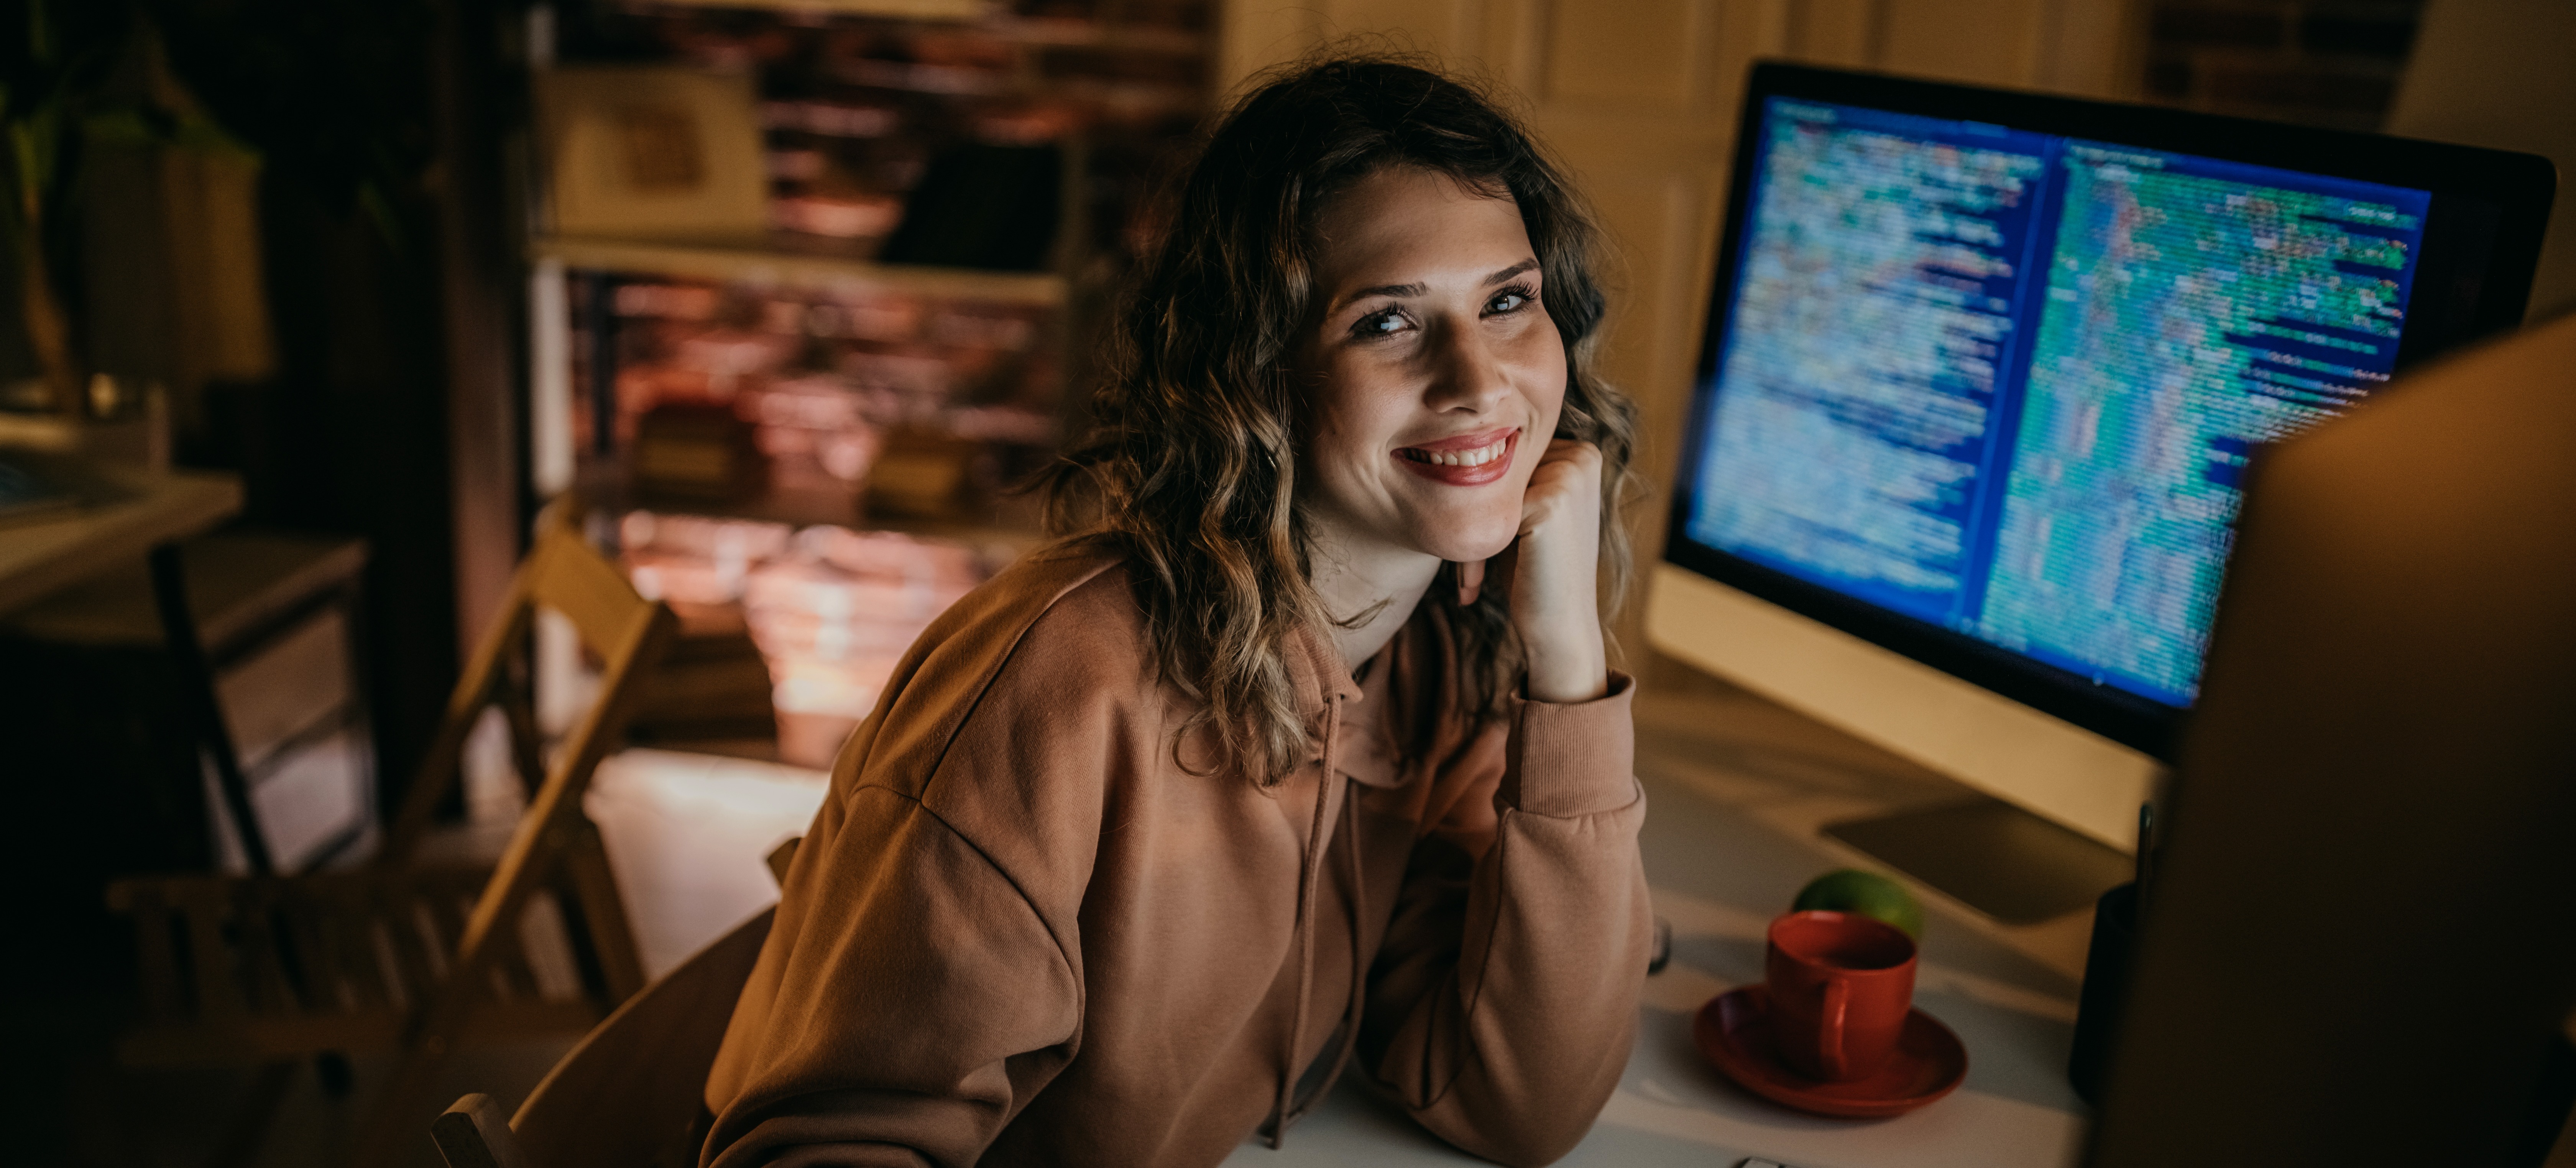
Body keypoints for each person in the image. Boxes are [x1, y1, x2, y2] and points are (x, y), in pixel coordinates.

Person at [700, 56, 1651, 1168]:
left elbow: (1518, 1108)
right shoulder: (1062, 684)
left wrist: (1568, 665)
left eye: (1507, 300)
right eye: (1388, 322)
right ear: (1260, 370)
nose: (1479, 380)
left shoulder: (1443, 654)